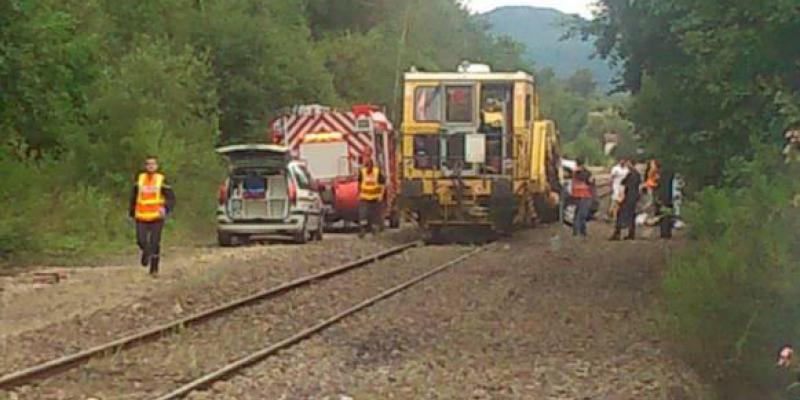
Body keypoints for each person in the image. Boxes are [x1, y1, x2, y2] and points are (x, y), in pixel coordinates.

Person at [129, 156, 176, 275]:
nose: (151, 166)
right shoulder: (139, 179)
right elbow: (134, 196)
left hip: (157, 216)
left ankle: (154, 268)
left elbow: (171, 197)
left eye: (153, 164)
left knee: (155, 242)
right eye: (148, 164)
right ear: (145, 166)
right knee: (141, 240)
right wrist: (131, 211)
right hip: (141, 215)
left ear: (157, 166)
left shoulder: (161, 179)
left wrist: (165, 208)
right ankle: (146, 253)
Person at [610, 159, 641, 240]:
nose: (627, 165)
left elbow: (625, 186)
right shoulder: (637, 174)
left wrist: (621, 197)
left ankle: (617, 233)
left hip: (628, 197)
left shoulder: (631, 175)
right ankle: (631, 233)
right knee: (631, 215)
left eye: (628, 163)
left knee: (620, 214)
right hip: (634, 197)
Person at [358, 153, 385, 238]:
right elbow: (359, 183)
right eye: (367, 165)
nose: (368, 167)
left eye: (369, 165)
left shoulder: (377, 172)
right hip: (364, 197)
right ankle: (362, 230)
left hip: (375, 198)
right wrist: (359, 194)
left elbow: (383, 184)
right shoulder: (362, 172)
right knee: (363, 215)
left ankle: (375, 230)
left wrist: (381, 195)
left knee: (375, 215)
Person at [571, 158, 595, 237]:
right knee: (582, 214)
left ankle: (576, 230)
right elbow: (590, 181)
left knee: (577, 213)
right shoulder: (585, 172)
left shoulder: (574, 172)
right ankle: (582, 231)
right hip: (585, 194)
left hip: (576, 194)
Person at [655, 164, 676, 239]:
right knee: (668, 214)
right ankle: (668, 232)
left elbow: (658, 186)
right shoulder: (671, 174)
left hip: (663, 197)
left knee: (663, 215)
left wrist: (658, 197)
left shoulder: (661, 175)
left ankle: (664, 232)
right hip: (669, 197)